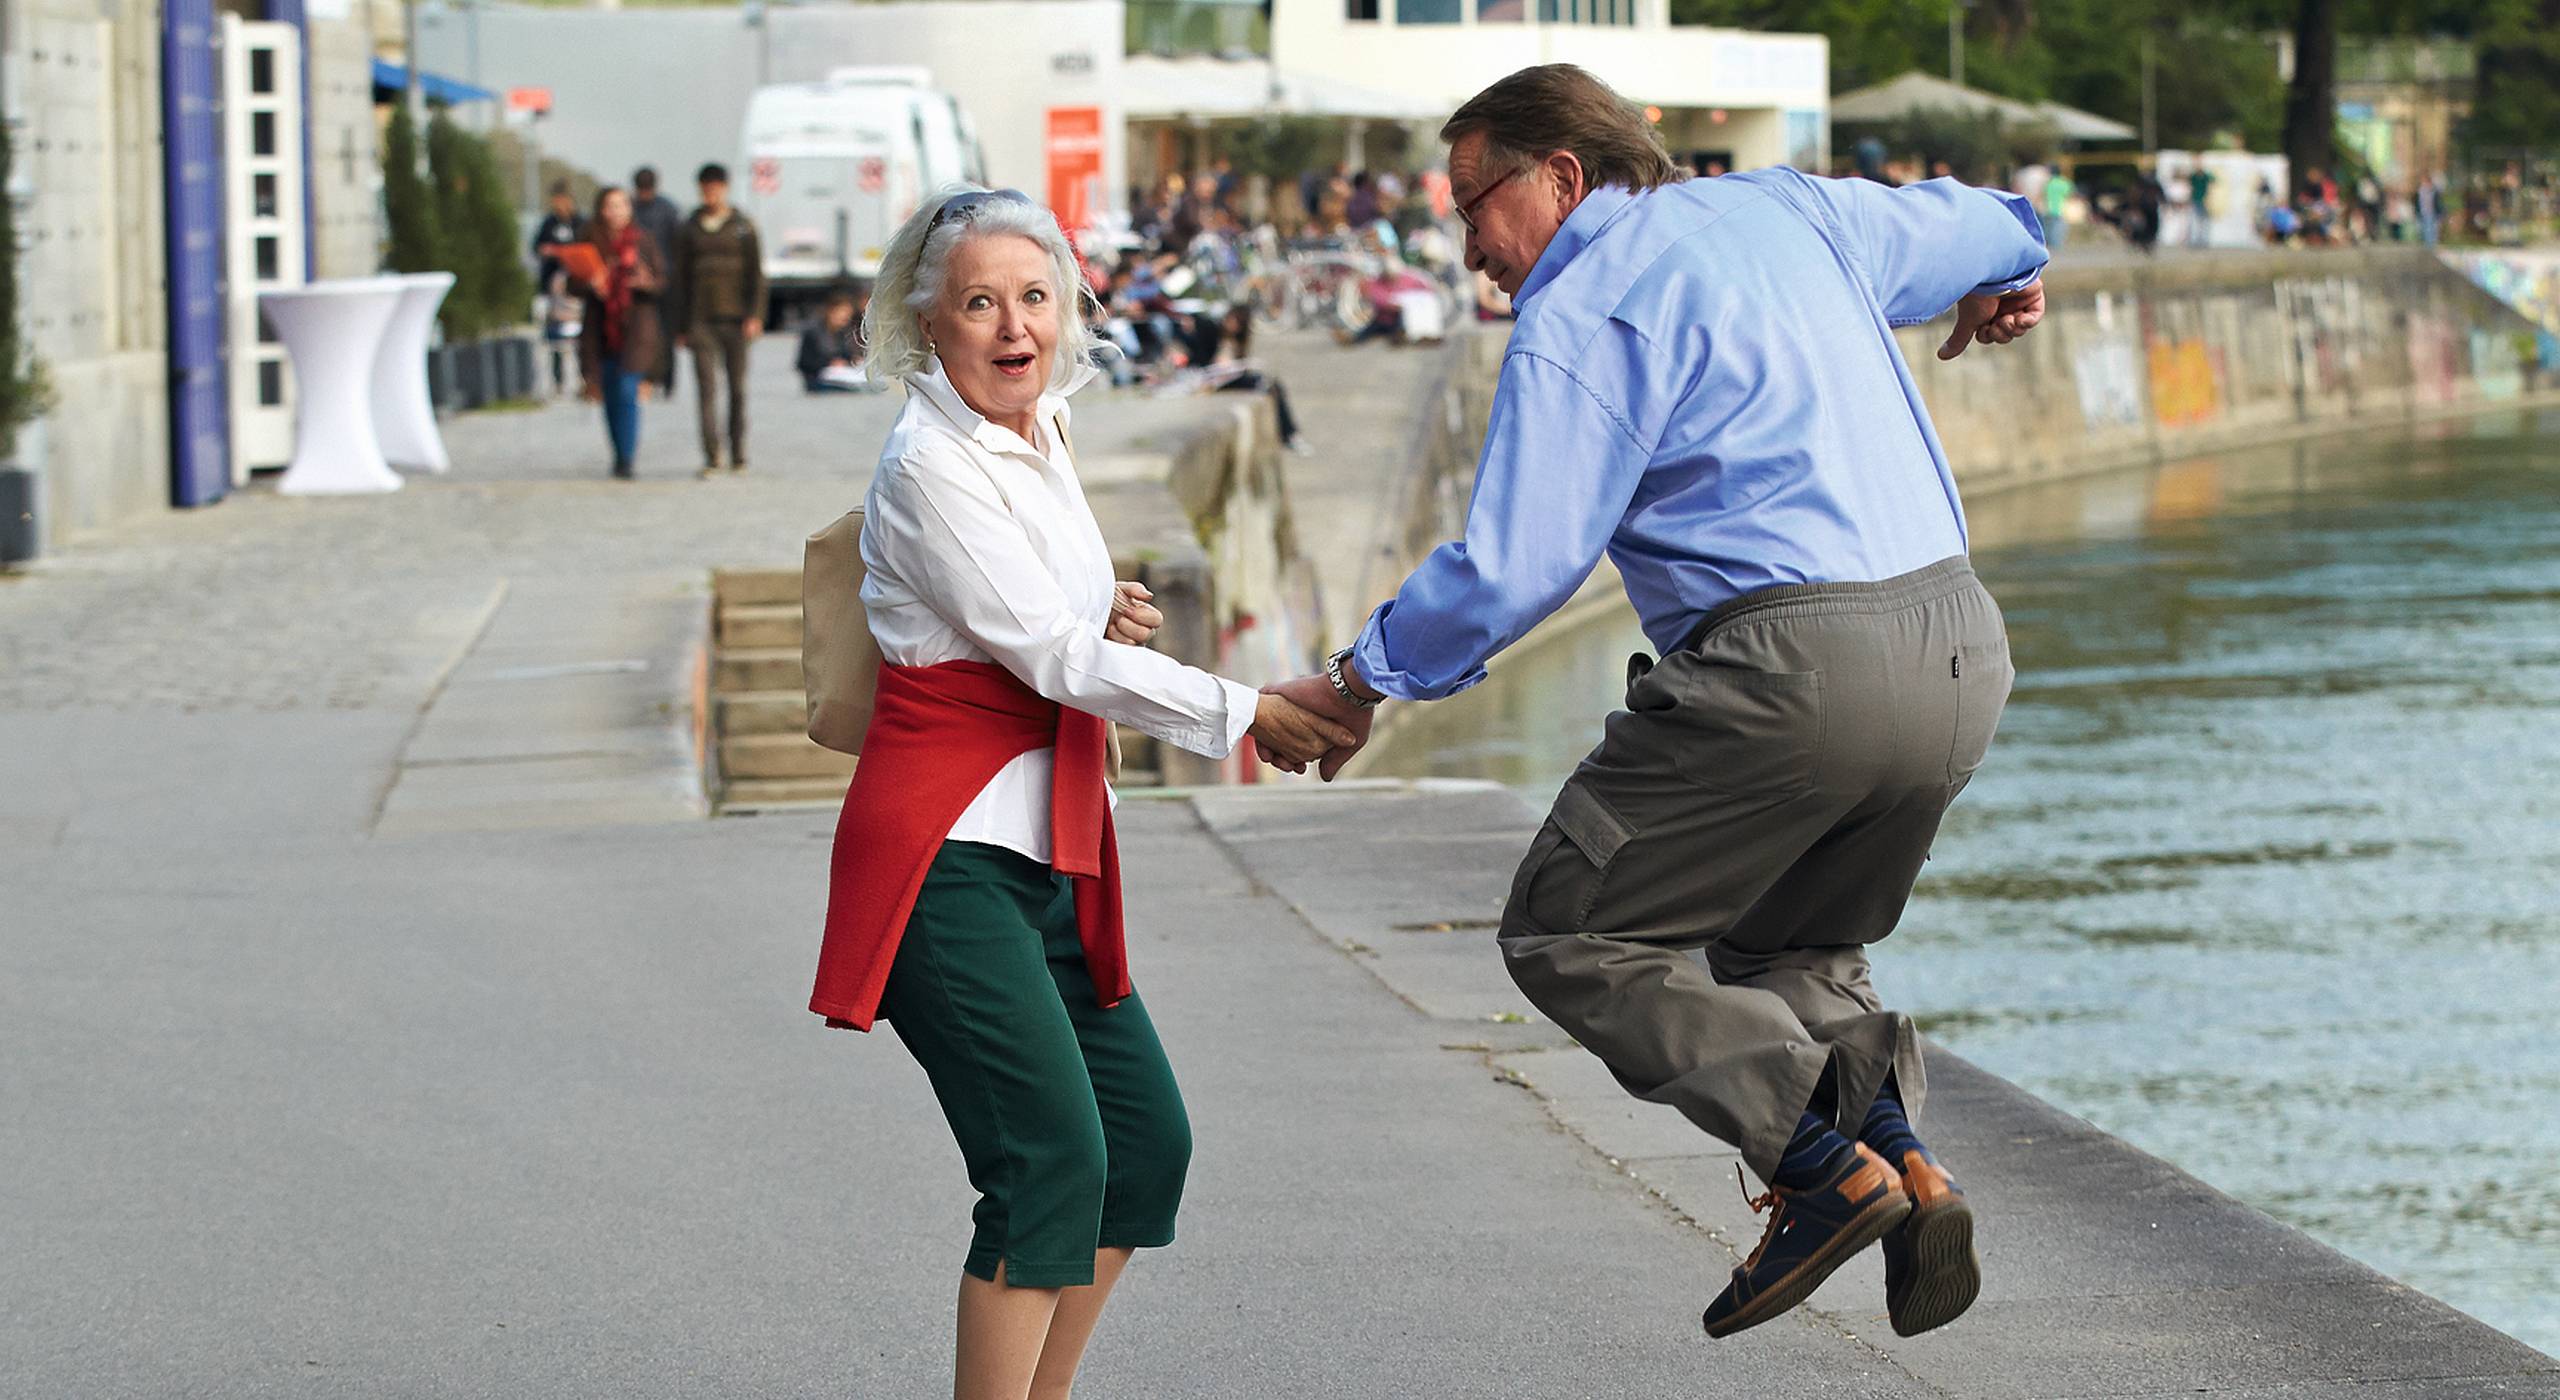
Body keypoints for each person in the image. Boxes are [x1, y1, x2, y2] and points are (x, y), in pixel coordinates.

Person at [1261, 63, 2046, 1342]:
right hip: (1958, 648)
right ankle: (1907, 1164)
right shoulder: (1795, 210)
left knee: (1570, 927)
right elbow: (2001, 222)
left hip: (1792, 671)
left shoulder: (1584, 309)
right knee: (1786, 946)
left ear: (1562, 177)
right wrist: (2006, 278)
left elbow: (1515, 564)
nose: (1468, 252)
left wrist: (1358, 683)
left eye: (1473, 207)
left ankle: (1812, 1166)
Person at [807, 185, 1357, 1400]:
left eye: (1034, 297)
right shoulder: (929, 464)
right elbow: (1053, 663)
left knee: (1142, 1147)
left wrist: (1100, 613)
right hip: (945, 859)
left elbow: (1045, 626)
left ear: (1068, 307)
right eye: (979, 303)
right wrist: (1247, 711)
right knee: (1047, 1160)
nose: (1013, 326)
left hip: (1045, 851)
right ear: (928, 324)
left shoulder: (1040, 428)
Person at [672, 162, 768, 477]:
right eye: (705, 187)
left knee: (737, 388)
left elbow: (757, 274)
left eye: (715, 187)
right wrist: (680, 325)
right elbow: (680, 279)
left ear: (724, 188)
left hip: (736, 319)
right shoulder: (689, 228)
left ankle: (738, 452)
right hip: (700, 320)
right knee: (706, 389)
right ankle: (712, 455)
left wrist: (755, 315)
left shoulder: (743, 226)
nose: (710, 193)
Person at [571, 187, 665, 479]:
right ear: (601, 209)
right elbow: (573, 283)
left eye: (622, 205)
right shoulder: (590, 241)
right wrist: (591, 282)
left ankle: (626, 457)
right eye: (611, 205)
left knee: (626, 391)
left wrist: (644, 281)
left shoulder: (643, 240)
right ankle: (618, 452)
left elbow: (662, 280)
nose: (617, 211)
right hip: (601, 331)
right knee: (609, 394)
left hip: (636, 329)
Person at [630, 167, 686, 395]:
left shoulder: (668, 210)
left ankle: (668, 380)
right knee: (643, 333)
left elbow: (678, 245)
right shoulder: (633, 209)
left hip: (667, 281)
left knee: (667, 332)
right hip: (640, 283)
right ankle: (646, 378)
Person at [530, 182, 584, 395]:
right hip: (552, 286)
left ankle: (584, 379)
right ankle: (557, 380)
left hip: (575, 287)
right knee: (554, 336)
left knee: (578, 337)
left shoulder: (579, 223)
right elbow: (537, 247)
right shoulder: (548, 224)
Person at [796, 284, 872, 393]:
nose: (844, 320)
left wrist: (853, 360)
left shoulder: (843, 333)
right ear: (831, 311)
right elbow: (804, 362)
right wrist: (829, 363)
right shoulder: (813, 333)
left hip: (842, 378)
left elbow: (846, 354)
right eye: (842, 316)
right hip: (818, 382)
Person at [2040, 164, 2074, 250]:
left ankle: (2049, 246)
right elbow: (2070, 194)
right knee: (2058, 230)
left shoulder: (2048, 183)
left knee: (2048, 230)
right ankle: (2056, 247)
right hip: (2060, 209)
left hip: (2047, 209)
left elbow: (2043, 195)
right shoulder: (2064, 183)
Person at [2186, 164, 2215, 247]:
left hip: (2203, 201)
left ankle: (2203, 240)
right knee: (2195, 221)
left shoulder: (2205, 177)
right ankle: (2195, 240)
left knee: (2203, 222)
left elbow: (2213, 179)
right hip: (2195, 201)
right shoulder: (2194, 177)